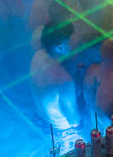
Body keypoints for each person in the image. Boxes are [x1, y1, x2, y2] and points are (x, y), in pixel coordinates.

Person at [30, 23, 80, 152]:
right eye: (72, 40)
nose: (76, 44)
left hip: (40, 121)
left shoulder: (38, 56)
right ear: (60, 47)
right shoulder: (64, 80)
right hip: (63, 134)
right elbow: (74, 120)